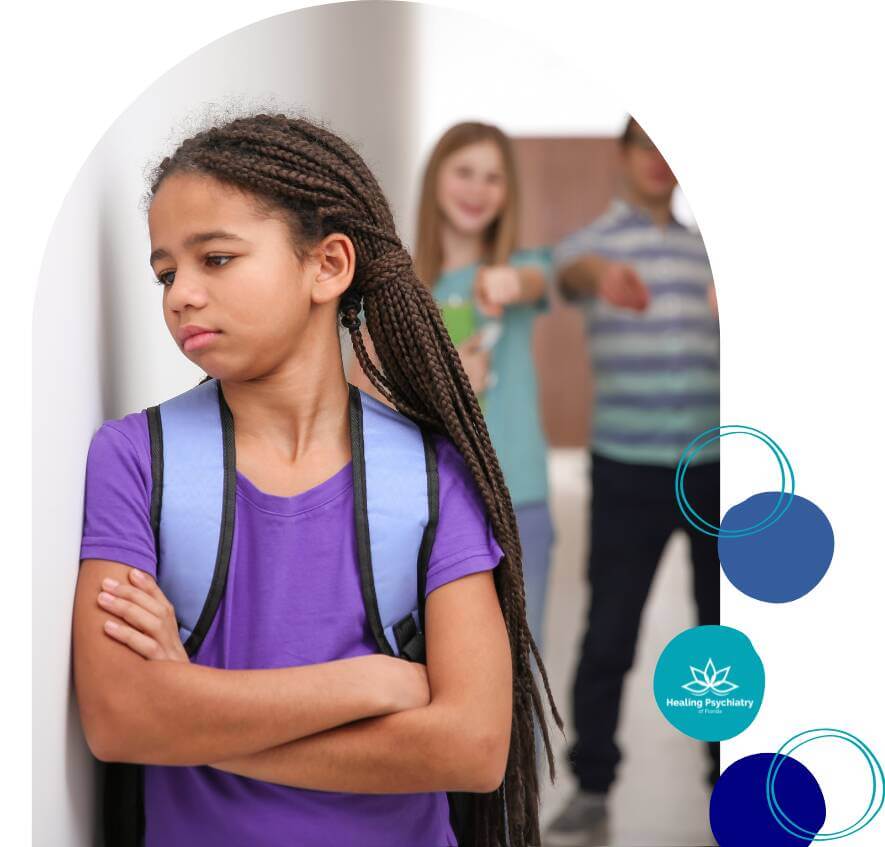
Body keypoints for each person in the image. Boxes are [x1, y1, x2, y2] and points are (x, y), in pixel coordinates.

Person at [72, 113, 563, 847]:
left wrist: (189, 712)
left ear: (327, 266)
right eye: (167, 272)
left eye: (216, 258)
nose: (180, 294)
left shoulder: (434, 475)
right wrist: (366, 683)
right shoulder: (134, 459)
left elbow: (472, 745)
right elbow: (119, 720)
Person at [544, 116, 720, 846]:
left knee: (723, 630)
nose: (658, 161)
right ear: (621, 156)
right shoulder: (591, 246)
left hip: (717, 469)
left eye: (671, 148)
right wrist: (602, 280)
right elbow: (568, 273)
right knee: (610, 630)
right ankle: (590, 783)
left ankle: (727, 769)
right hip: (625, 471)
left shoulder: (706, 251)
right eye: (645, 144)